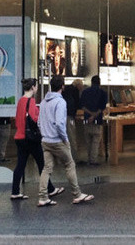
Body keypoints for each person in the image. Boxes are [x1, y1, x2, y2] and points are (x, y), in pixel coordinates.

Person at [37, 75, 94, 206]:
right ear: (62, 86)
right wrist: (65, 139)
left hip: (45, 140)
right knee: (69, 165)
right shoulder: (61, 102)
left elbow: (39, 122)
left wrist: (44, 134)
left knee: (47, 169)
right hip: (57, 141)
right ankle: (77, 194)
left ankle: (43, 197)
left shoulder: (44, 102)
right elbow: (60, 124)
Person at [10, 78, 60, 200]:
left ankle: (15, 191)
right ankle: (50, 189)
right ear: (33, 87)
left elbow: (18, 119)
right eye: (36, 86)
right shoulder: (31, 102)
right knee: (42, 164)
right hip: (31, 139)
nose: (37, 88)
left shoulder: (21, 101)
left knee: (20, 165)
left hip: (20, 137)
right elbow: (35, 120)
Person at [79, 75, 108, 166]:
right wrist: (95, 115)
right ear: (99, 83)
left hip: (87, 119)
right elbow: (102, 107)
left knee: (88, 141)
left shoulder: (85, 92)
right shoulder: (103, 93)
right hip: (97, 119)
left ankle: (89, 158)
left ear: (91, 82)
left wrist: (90, 115)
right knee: (96, 141)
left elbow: (82, 106)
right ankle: (93, 160)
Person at [64, 78, 83, 161]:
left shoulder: (66, 89)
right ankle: (73, 157)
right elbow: (77, 103)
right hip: (70, 116)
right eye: (81, 86)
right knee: (72, 136)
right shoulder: (74, 91)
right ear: (78, 85)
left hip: (63, 116)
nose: (81, 88)